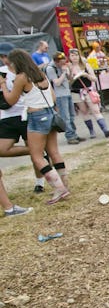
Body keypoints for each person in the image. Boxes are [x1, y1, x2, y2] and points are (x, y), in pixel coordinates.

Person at [1, 49, 71, 204]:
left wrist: (4, 86)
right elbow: (52, 96)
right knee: (54, 152)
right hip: (50, 114)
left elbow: (11, 100)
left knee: (37, 156)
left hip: (36, 116)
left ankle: (59, 189)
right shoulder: (40, 74)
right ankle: (65, 185)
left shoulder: (21, 78)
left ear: (15, 63)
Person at [0, 42, 45, 193]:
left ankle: (40, 183)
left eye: (6, 56)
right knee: (2, 149)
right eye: (2, 56)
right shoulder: (1, 72)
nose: (5, 59)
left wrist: (5, 86)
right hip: (7, 115)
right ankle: (34, 150)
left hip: (26, 113)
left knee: (35, 154)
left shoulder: (25, 72)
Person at [68, 48, 109, 138]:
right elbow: (68, 84)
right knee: (84, 112)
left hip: (88, 91)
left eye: (76, 55)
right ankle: (91, 131)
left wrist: (86, 75)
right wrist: (72, 77)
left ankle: (105, 130)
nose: (75, 57)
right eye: (72, 55)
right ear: (69, 57)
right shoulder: (68, 68)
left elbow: (95, 79)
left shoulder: (85, 65)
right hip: (76, 92)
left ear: (79, 56)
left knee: (95, 110)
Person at [45, 51, 86, 145]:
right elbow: (57, 83)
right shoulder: (51, 68)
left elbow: (69, 80)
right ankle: (70, 136)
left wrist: (69, 71)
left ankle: (74, 134)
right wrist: (63, 72)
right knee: (65, 117)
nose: (63, 64)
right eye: (61, 62)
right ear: (56, 61)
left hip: (67, 92)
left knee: (72, 115)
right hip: (60, 95)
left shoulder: (63, 66)